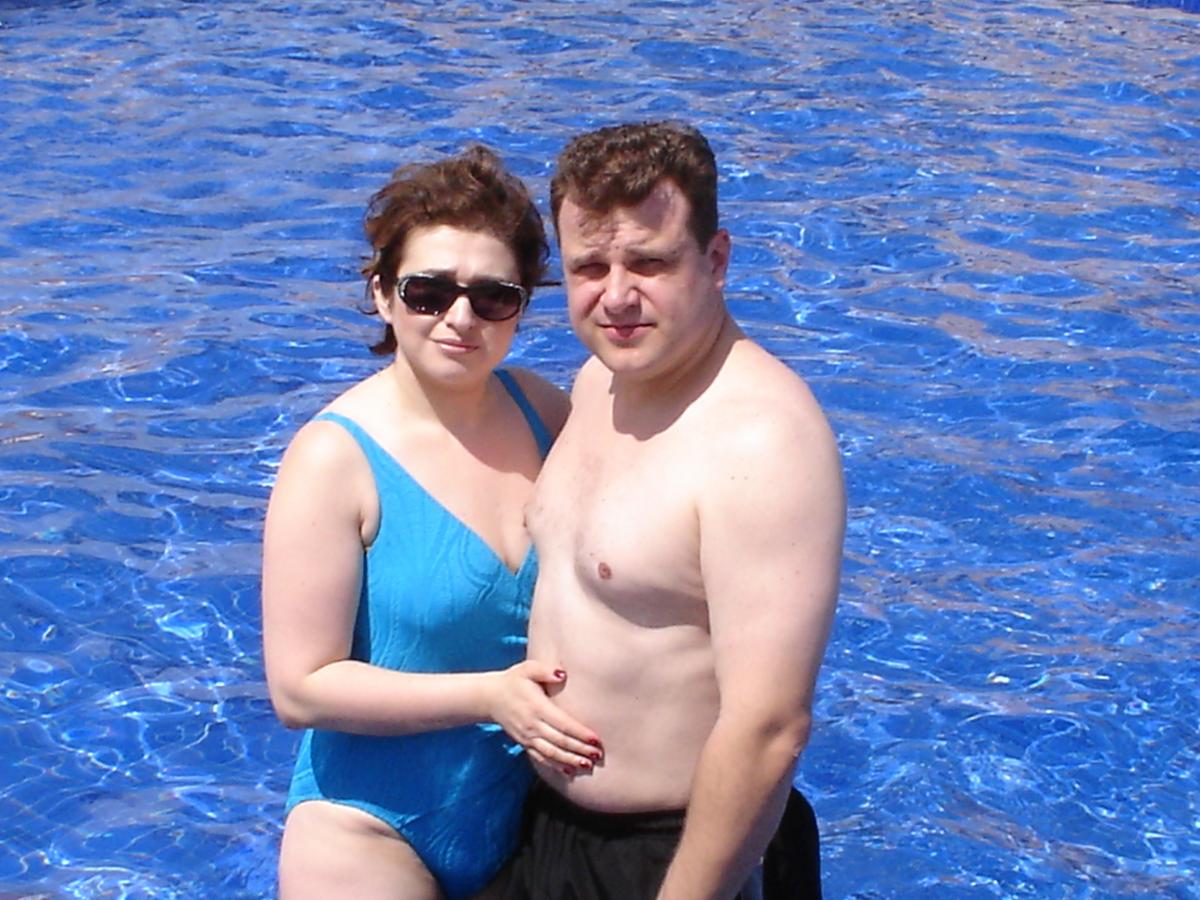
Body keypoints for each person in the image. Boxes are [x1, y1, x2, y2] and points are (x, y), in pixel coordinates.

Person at [503, 122, 845, 899]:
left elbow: (769, 730)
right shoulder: (600, 382)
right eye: (590, 267)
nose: (617, 296)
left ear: (715, 260)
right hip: (550, 833)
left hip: (683, 857)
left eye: (650, 262)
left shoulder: (760, 441)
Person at [260, 145, 602, 900]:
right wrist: (488, 697)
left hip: (527, 821)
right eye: (429, 292)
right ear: (383, 295)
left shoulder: (545, 412)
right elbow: (300, 688)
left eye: (493, 296)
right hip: (368, 830)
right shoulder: (333, 459)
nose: (460, 318)